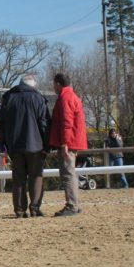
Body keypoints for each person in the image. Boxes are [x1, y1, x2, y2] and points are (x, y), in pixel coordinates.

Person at [0, 74, 51, 218]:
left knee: (18, 179)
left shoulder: (8, 98)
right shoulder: (38, 98)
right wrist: (47, 145)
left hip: (14, 146)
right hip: (35, 145)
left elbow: (1, 124)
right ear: (33, 86)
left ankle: (20, 210)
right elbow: (44, 124)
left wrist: (3, 145)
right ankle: (35, 207)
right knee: (36, 177)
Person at [49, 73, 88, 217]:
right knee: (70, 172)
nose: (53, 86)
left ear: (58, 83)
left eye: (54, 84)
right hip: (74, 141)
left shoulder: (65, 98)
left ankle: (72, 205)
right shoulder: (73, 96)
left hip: (68, 142)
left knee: (67, 173)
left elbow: (67, 122)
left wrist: (64, 142)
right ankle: (75, 203)